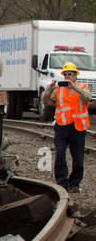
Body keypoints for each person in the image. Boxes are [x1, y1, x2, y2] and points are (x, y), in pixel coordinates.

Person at [42, 62, 90, 193]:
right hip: (62, 127)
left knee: (78, 159)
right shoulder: (58, 90)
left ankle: (74, 183)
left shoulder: (82, 87)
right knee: (60, 155)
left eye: (71, 74)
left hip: (78, 128)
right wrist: (50, 89)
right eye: (66, 74)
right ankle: (62, 183)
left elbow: (87, 98)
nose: (68, 76)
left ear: (75, 76)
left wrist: (75, 88)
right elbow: (46, 101)